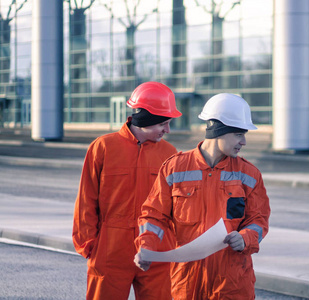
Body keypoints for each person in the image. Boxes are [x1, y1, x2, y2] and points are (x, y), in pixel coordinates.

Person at [134, 93, 271, 299]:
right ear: (219, 130)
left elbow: (259, 220)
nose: (244, 141)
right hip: (188, 282)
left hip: (232, 283)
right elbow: (153, 216)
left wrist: (245, 238)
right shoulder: (174, 168)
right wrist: (147, 247)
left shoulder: (249, 175)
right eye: (238, 134)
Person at [72, 81, 182, 300]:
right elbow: (86, 199)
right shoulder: (103, 147)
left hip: (157, 251)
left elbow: (176, 206)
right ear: (146, 118)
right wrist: (90, 246)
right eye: (163, 123)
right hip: (110, 250)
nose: (167, 130)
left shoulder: (170, 153)